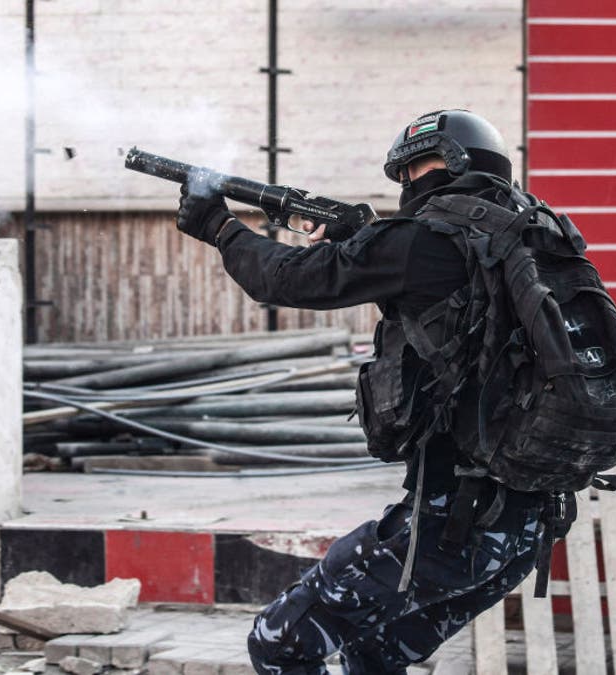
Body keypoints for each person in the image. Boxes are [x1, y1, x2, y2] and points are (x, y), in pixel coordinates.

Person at [174, 110, 549, 674]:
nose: (406, 186)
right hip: (524, 526)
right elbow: (458, 325)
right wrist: (368, 242)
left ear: (449, 163)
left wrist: (221, 229)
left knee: (280, 643)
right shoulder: (532, 236)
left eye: (414, 169)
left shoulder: (425, 240)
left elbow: (286, 278)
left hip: (454, 525)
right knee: (373, 657)